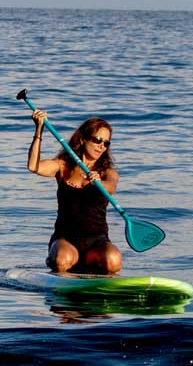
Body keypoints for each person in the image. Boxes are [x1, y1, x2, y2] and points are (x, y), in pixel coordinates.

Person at [26, 110, 123, 275]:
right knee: (61, 260)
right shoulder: (63, 166)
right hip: (65, 239)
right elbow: (33, 166)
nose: (102, 146)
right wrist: (39, 130)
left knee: (113, 261)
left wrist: (99, 182)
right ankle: (59, 269)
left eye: (106, 143)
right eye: (98, 140)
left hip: (97, 242)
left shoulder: (107, 172)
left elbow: (110, 187)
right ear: (82, 139)